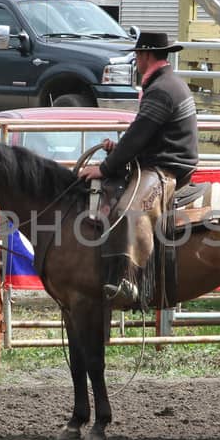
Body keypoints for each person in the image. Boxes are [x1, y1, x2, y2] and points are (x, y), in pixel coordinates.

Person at [79, 30, 199, 306]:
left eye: (137, 54)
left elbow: (139, 135)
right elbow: (144, 133)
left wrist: (105, 168)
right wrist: (118, 149)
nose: (136, 59)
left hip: (168, 166)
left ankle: (127, 279)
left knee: (127, 210)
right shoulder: (167, 84)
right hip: (164, 158)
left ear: (144, 55)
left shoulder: (161, 90)